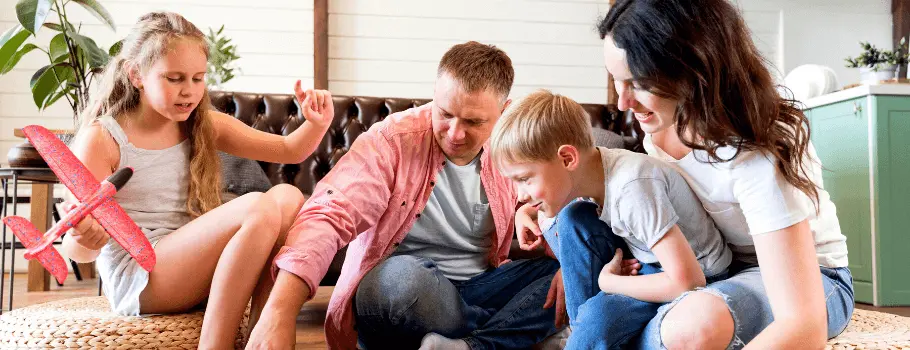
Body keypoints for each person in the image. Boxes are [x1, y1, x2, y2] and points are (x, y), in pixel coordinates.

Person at [246, 41, 563, 350]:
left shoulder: (512, 144)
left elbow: (555, 204)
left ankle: (469, 345)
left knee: (570, 273)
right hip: (402, 291)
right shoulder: (392, 139)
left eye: (473, 122)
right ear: (435, 94)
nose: (454, 133)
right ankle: (510, 333)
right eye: (445, 113)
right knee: (403, 283)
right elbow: (329, 213)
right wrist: (280, 312)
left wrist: (538, 221)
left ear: (503, 112)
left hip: (481, 286)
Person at [58, 11, 335, 349]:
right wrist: (85, 236)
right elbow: (76, 251)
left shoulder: (201, 123)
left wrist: (316, 123)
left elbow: (289, 149)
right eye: (174, 78)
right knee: (257, 207)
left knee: (289, 197)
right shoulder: (104, 138)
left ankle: (261, 336)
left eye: (197, 78)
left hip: (190, 265)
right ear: (136, 75)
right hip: (141, 279)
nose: (188, 91)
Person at [598, 0, 853, 348]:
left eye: (639, 83)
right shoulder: (660, 124)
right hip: (723, 271)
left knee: (692, 326)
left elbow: (803, 323)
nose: (623, 103)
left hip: (815, 278)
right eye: (617, 80)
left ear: (693, 68)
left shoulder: (757, 147)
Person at [493, 90, 731, 349]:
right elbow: (567, 224)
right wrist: (524, 211)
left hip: (697, 273)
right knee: (572, 217)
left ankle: (586, 334)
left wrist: (610, 283)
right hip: (647, 259)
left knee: (597, 318)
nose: (520, 194)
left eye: (524, 179)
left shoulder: (632, 187)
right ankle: (581, 332)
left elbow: (688, 281)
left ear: (567, 158)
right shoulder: (591, 169)